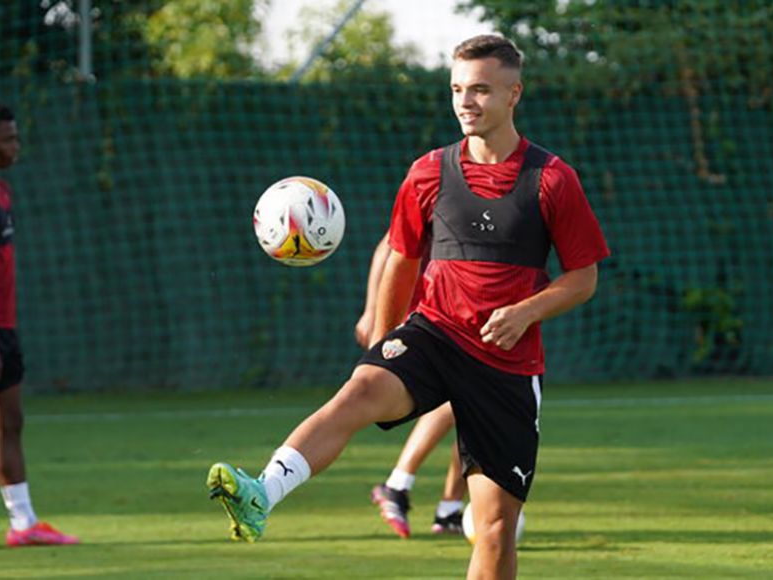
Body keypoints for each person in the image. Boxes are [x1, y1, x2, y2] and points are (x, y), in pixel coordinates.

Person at [207, 34, 609, 579]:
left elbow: (583, 278)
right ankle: (263, 491)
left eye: (482, 91)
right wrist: (383, 333)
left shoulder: (552, 180)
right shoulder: (428, 172)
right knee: (360, 390)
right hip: (434, 335)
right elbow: (400, 258)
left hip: (505, 364)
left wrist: (526, 312)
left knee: (493, 532)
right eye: (458, 90)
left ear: (515, 94)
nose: (467, 102)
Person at [0, 97, 78, 551]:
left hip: (1, 329)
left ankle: (23, 523)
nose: (16, 145)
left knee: (8, 421)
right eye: (7, 138)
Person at [357, 233, 466, 538]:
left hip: (459, 307)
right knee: (459, 402)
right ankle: (398, 485)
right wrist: (371, 310)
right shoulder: (432, 186)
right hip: (421, 309)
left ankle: (448, 510)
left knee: (477, 409)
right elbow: (389, 245)